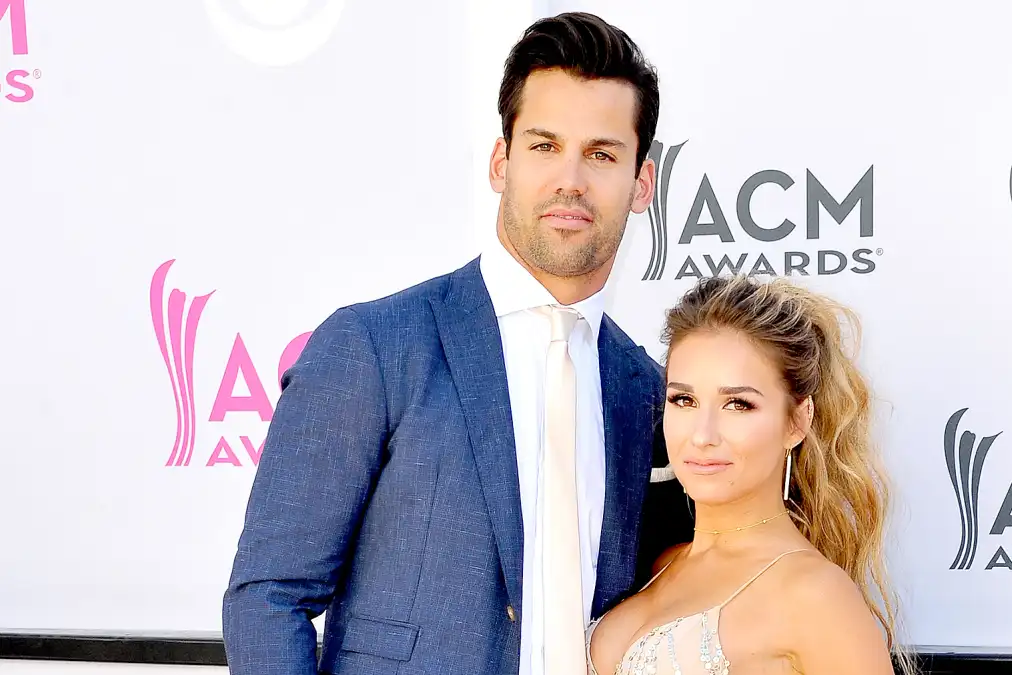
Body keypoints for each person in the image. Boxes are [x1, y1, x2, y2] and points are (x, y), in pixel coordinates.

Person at [221, 12, 691, 675]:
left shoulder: (648, 390)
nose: (570, 180)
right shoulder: (375, 347)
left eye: (602, 153)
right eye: (543, 145)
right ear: (501, 162)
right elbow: (269, 596)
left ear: (643, 182)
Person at [585, 274, 915, 675]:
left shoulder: (817, 597)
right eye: (684, 399)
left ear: (796, 420)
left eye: (738, 404)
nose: (702, 435)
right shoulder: (660, 564)